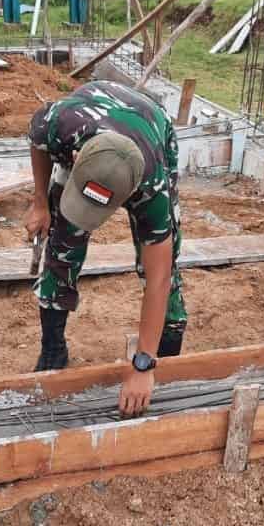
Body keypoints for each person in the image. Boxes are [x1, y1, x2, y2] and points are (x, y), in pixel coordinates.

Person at [24, 80, 185, 417]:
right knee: (61, 248)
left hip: (153, 131)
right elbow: (37, 141)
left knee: (163, 267)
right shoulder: (61, 124)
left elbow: (158, 280)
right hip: (95, 117)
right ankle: (53, 349)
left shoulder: (151, 191)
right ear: (75, 159)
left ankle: (166, 355)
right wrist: (40, 202)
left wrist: (143, 366)